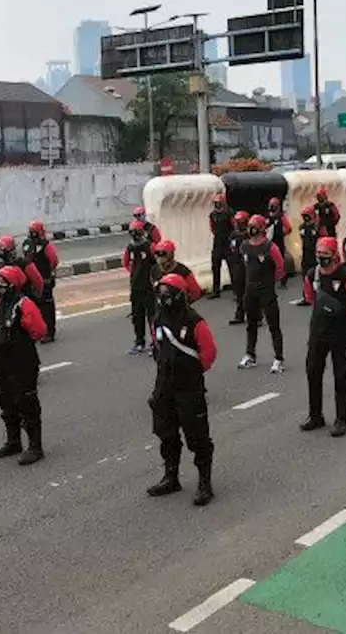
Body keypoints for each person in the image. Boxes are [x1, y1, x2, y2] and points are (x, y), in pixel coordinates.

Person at [147, 273, 218, 506]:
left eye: (168, 293)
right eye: (161, 293)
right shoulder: (158, 318)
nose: (163, 297)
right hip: (165, 383)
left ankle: (204, 483)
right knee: (166, 432)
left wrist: (190, 372)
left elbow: (208, 353)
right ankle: (171, 476)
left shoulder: (194, 321)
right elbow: (157, 345)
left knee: (197, 435)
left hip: (189, 386)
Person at [301, 237, 346, 437]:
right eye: (318, 254)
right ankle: (315, 415)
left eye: (325, 254)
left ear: (334, 255)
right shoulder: (312, 275)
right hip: (317, 331)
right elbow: (309, 297)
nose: (321, 258)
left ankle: (341, 418)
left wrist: (343, 309)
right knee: (313, 372)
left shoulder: (345, 276)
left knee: (340, 374)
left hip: (339, 332)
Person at [0, 265, 49, 464]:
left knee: (26, 403)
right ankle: (14, 442)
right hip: (1, 360)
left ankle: (35, 446)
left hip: (22, 360)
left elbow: (39, 330)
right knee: (6, 402)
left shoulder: (24, 304)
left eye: (3, 282)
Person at [238, 214, 286, 372]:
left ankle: (278, 359)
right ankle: (250, 355)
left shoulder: (270, 247)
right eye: (249, 225)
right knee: (251, 324)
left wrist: (271, 282)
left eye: (254, 226)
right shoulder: (244, 246)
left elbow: (280, 267)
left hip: (266, 291)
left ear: (261, 229)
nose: (251, 229)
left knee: (274, 325)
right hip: (250, 290)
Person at [124, 220, 158, 355]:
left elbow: (156, 263)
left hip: (149, 287)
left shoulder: (149, 246)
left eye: (136, 232)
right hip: (136, 287)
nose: (134, 235)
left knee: (152, 316)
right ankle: (139, 342)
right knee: (137, 316)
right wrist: (134, 271)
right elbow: (125, 262)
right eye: (132, 232)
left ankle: (155, 342)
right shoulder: (130, 247)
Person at [22, 221, 60, 342]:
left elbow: (53, 260)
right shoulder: (28, 244)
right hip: (33, 279)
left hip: (43, 279)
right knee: (36, 307)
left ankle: (49, 331)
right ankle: (39, 330)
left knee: (46, 306)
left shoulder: (44, 245)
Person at [0, 235, 45, 300]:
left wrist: (37, 297)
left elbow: (38, 281)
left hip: (25, 298)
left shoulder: (24, 263)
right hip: (10, 300)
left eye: (1, 249)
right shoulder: (0, 266)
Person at [292, 205, 320, 307]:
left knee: (316, 275)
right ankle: (306, 296)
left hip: (316, 253)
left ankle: (318, 296)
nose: (306, 218)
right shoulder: (302, 227)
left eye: (307, 215)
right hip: (306, 253)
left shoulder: (318, 226)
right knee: (305, 276)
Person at [208, 194, 233, 298]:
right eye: (216, 203)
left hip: (227, 242)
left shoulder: (229, 213)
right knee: (215, 267)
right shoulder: (212, 215)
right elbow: (212, 228)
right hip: (217, 242)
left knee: (232, 267)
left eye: (219, 203)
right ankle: (216, 290)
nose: (217, 205)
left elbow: (233, 225)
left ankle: (236, 290)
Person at [267, 197, 293, 289]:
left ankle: (283, 281)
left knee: (280, 261)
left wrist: (282, 234)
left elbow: (289, 228)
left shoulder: (281, 216)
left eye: (273, 206)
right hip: (270, 242)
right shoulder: (269, 217)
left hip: (278, 242)